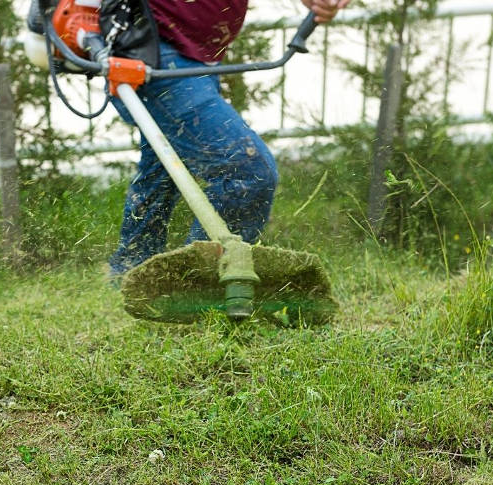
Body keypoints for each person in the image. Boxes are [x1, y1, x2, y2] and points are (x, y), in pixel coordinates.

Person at [108, 0, 351, 278]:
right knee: (246, 171)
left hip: (195, 55)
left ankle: (132, 274)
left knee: (164, 168)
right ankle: (205, 286)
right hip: (152, 47)